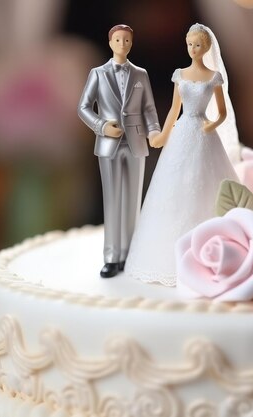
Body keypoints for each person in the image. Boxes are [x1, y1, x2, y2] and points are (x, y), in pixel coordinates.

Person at [124, 23, 240, 286]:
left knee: (205, 182)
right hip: (182, 132)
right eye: (190, 44)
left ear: (206, 47)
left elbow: (221, 112)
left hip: (204, 133)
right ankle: (164, 256)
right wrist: (163, 136)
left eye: (198, 45)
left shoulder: (213, 77)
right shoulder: (180, 75)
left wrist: (210, 125)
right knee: (173, 184)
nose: (193, 49)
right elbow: (174, 109)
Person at [78, 24, 160, 278]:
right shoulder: (98, 74)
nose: (122, 44)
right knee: (113, 201)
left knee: (134, 200)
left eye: (127, 40)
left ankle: (133, 255)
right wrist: (102, 126)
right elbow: (83, 107)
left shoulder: (141, 74)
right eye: (118, 40)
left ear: (131, 43)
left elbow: (148, 108)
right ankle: (112, 257)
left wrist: (154, 130)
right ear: (111, 41)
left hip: (136, 142)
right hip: (109, 144)